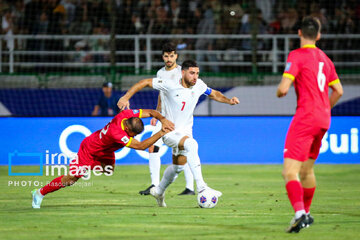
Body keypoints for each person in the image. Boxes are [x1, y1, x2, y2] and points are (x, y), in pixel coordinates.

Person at [118, 60, 239, 207]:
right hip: (169, 131)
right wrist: (125, 97)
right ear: (183, 73)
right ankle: (202, 187)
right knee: (191, 144)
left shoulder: (199, 85)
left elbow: (213, 93)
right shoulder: (170, 84)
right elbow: (144, 82)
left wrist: (228, 101)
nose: (195, 77)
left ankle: (159, 191)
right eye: (192, 73)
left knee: (178, 167)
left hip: (185, 132)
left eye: (197, 73)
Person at [277, 16, 343, 233]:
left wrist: (280, 89)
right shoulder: (326, 58)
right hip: (324, 119)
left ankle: (299, 214)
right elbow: (339, 91)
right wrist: (324, 109)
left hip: (305, 117)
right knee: (307, 170)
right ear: (319, 35)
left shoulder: (297, 55)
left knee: (289, 172)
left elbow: (284, 88)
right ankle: (305, 213)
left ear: (298, 33)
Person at [31, 109, 174, 208]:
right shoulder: (117, 133)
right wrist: (161, 132)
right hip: (90, 149)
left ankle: (85, 168)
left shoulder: (126, 114)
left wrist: (163, 119)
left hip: (105, 150)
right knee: (71, 180)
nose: (133, 137)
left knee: (109, 170)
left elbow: (150, 112)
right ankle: (39, 193)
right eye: (133, 135)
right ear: (128, 130)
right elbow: (142, 146)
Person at [139, 42, 195, 196]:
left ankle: (190, 187)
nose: (169, 59)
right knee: (152, 147)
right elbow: (161, 94)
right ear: (162, 57)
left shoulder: (182, 72)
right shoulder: (160, 73)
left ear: (176, 56)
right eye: (166, 56)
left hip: (179, 118)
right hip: (164, 117)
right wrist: (157, 113)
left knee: (185, 150)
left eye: (171, 56)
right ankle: (154, 186)